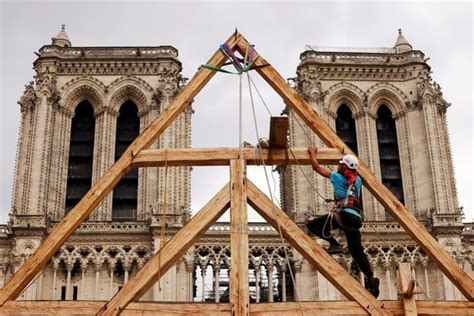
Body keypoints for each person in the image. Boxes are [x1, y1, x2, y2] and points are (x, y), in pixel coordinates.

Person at [306, 145, 380, 298]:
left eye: (341, 164)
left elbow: (316, 167)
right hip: (355, 219)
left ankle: (334, 244)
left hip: (343, 215)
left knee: (313, 226)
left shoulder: (337, 177)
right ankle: (371, 278)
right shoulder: (358, 180)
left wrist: (312, 153)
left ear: (343, 166)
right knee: (356, 251)